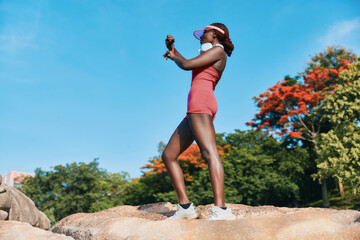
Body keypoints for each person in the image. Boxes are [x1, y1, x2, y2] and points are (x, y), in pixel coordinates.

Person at [162, 23, 236, 220]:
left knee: (209, 153)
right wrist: (172, 49)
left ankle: (221, 209)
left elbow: (186, 65)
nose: (201, 36)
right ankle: (185, 208)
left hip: (202, 104)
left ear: (215, 34)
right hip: (194, 108)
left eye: (204, 33)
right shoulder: (211, 53)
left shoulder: (218, 51)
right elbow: (185, 61)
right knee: (168, 155)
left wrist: (175, 54)